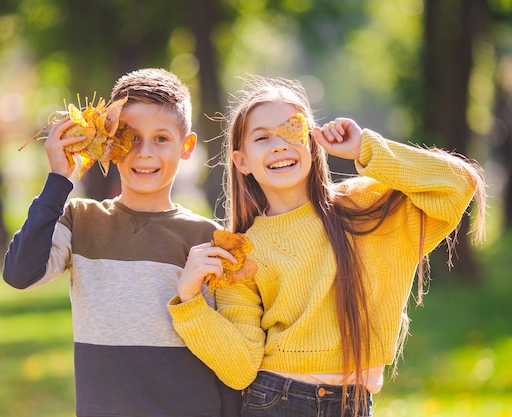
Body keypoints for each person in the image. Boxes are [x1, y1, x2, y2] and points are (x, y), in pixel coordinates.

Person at [168, 75, 486, 417]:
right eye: (262, 138)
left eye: (291, 131)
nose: (278, 145)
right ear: (241, 161)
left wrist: (365, 148)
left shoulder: (364, 208)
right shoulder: (243, 254)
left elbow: (458, 184)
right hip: (275, 399)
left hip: (353, 403)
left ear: (311, 141)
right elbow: (240, 368)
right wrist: (190, 302)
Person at [3, 68, 242, 417]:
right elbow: (20, 273)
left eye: (161, 138)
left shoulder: (207, 238)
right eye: (130, 137)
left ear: (186, 146)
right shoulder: (80, 221)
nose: (145, 152)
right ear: (110, 142)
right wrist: (58, 180)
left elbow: (226, 356)